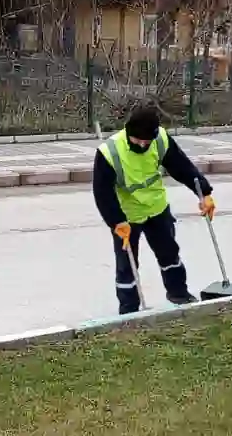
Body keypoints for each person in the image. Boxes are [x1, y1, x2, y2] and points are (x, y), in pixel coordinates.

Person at [92, 105, 215, 314]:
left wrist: (204, 192)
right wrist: (116, 221)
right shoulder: (109, 152)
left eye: (146, 141)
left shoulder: (160, 140)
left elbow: (182, 167)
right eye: (137, 140)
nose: (142, 144)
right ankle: (129, 309)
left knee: (169, 254)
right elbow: (102, 193)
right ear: (128, 132)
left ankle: (179, 293)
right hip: (127, 217)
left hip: (157, 209)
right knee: (127, 266)